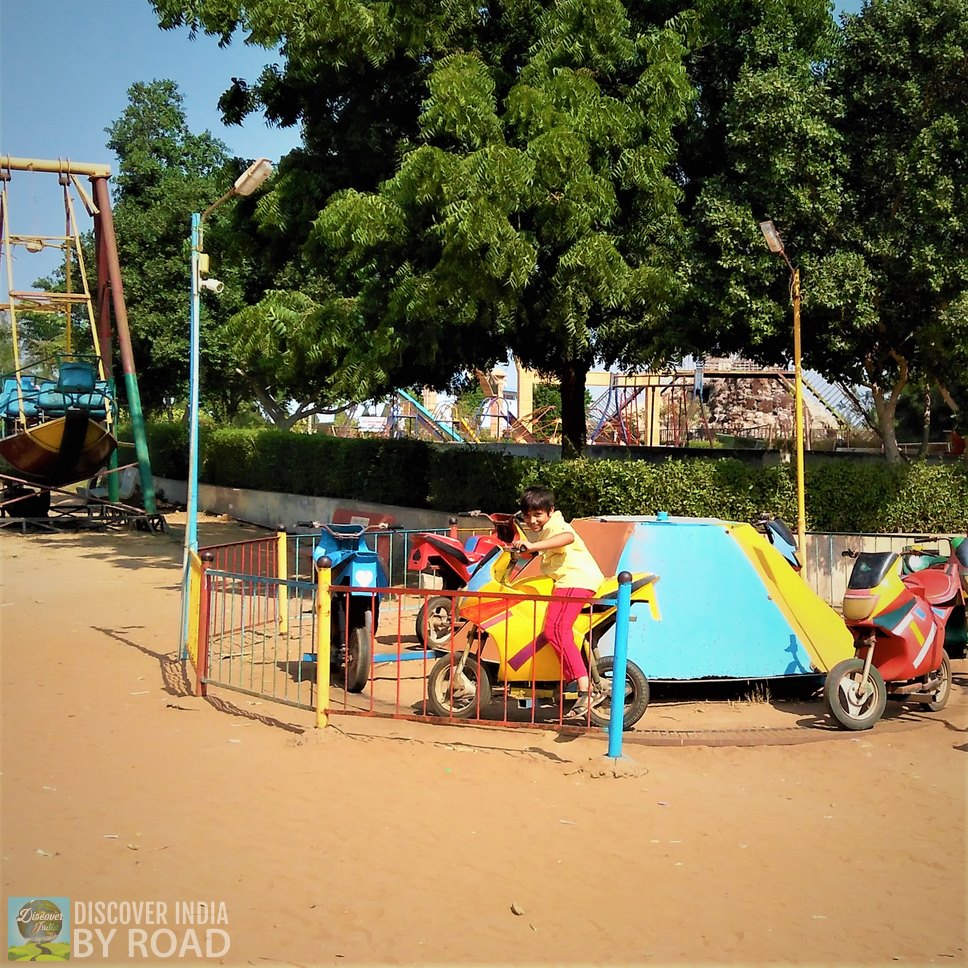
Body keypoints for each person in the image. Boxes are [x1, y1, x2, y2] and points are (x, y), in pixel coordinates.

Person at [513, 486, 606, 720]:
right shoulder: (544, 529)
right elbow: (535, 543)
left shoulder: (557, 525)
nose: (532, 520)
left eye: (538, 515)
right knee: (550, 632)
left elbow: (567, 537)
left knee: (556, 630)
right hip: (568, 581)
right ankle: (569, 682)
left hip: (575, 580)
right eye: (528, 515)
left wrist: (532, 547)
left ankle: (584, 688)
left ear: (550, 511)